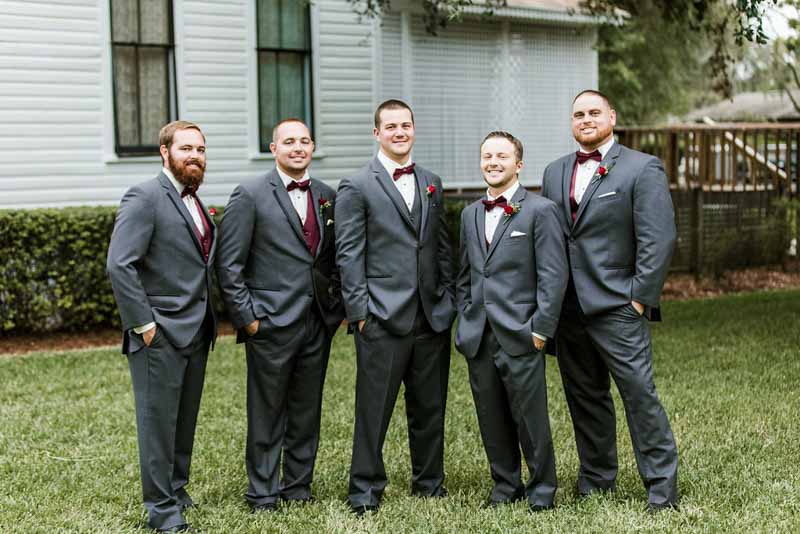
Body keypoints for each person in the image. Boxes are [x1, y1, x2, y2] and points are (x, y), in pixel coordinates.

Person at [541, 90, 679, 511]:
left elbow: (660, 238)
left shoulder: (641, 168)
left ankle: (661, 488)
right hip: (568, 310)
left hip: (619, 305)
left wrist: (639, 298)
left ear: (612, 117)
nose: (586, 119)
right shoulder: (553, 172)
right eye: (578, 113)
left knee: (639, 394)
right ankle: (597, 479)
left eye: (594, 112)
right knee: (585, 397)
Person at [216, 119, 344, 512]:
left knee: (307, 409)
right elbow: (228, 264)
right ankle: (262, 492)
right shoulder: (250, 194)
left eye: (305, 141)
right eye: (289, 141)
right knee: (267, 411)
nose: (298, 147)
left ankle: (298, 487)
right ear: (273, 148)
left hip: (316, 322)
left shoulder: (327, 195)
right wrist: (248, 319)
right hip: (269, 323)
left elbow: (333, 258)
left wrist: (334, 309)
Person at [335, 99, 456, 515]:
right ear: (377, 133)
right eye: (391, 126)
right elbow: (349, 255)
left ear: (413, 129)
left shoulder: (432, 182)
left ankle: (430, 483)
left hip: (431, 315)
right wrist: (360, 313)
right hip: (381, 317)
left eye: (405, 125)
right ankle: (365, 490)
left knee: (430, 406)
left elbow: (441, 248)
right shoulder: (356, 185)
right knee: (374, 410)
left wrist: (448, 301)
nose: (399, 132)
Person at [107, 120, 217, 533]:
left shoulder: (195, 202)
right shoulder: (145, 196)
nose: (195, 156)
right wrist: (144, 325)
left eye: (201, 150)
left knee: (183, 420)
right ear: (164, 152)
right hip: (160, 334)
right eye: (186, 148)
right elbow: (120, 264)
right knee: (157, 424)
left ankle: (176, 488)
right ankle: (161, 510)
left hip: (196, 330)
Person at [455, 131, 567, 512]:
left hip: (522, 333)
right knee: (490, 415)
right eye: (487, 155)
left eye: (501, 156)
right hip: (478, 334)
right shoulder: (470, 215)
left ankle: (542, 489)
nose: (493, 162)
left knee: (530, 417)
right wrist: (465, 314)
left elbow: (554, 275)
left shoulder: (540, 211)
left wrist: (540, 329)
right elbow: (465, 274)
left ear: (518, 164)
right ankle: (505, 485)